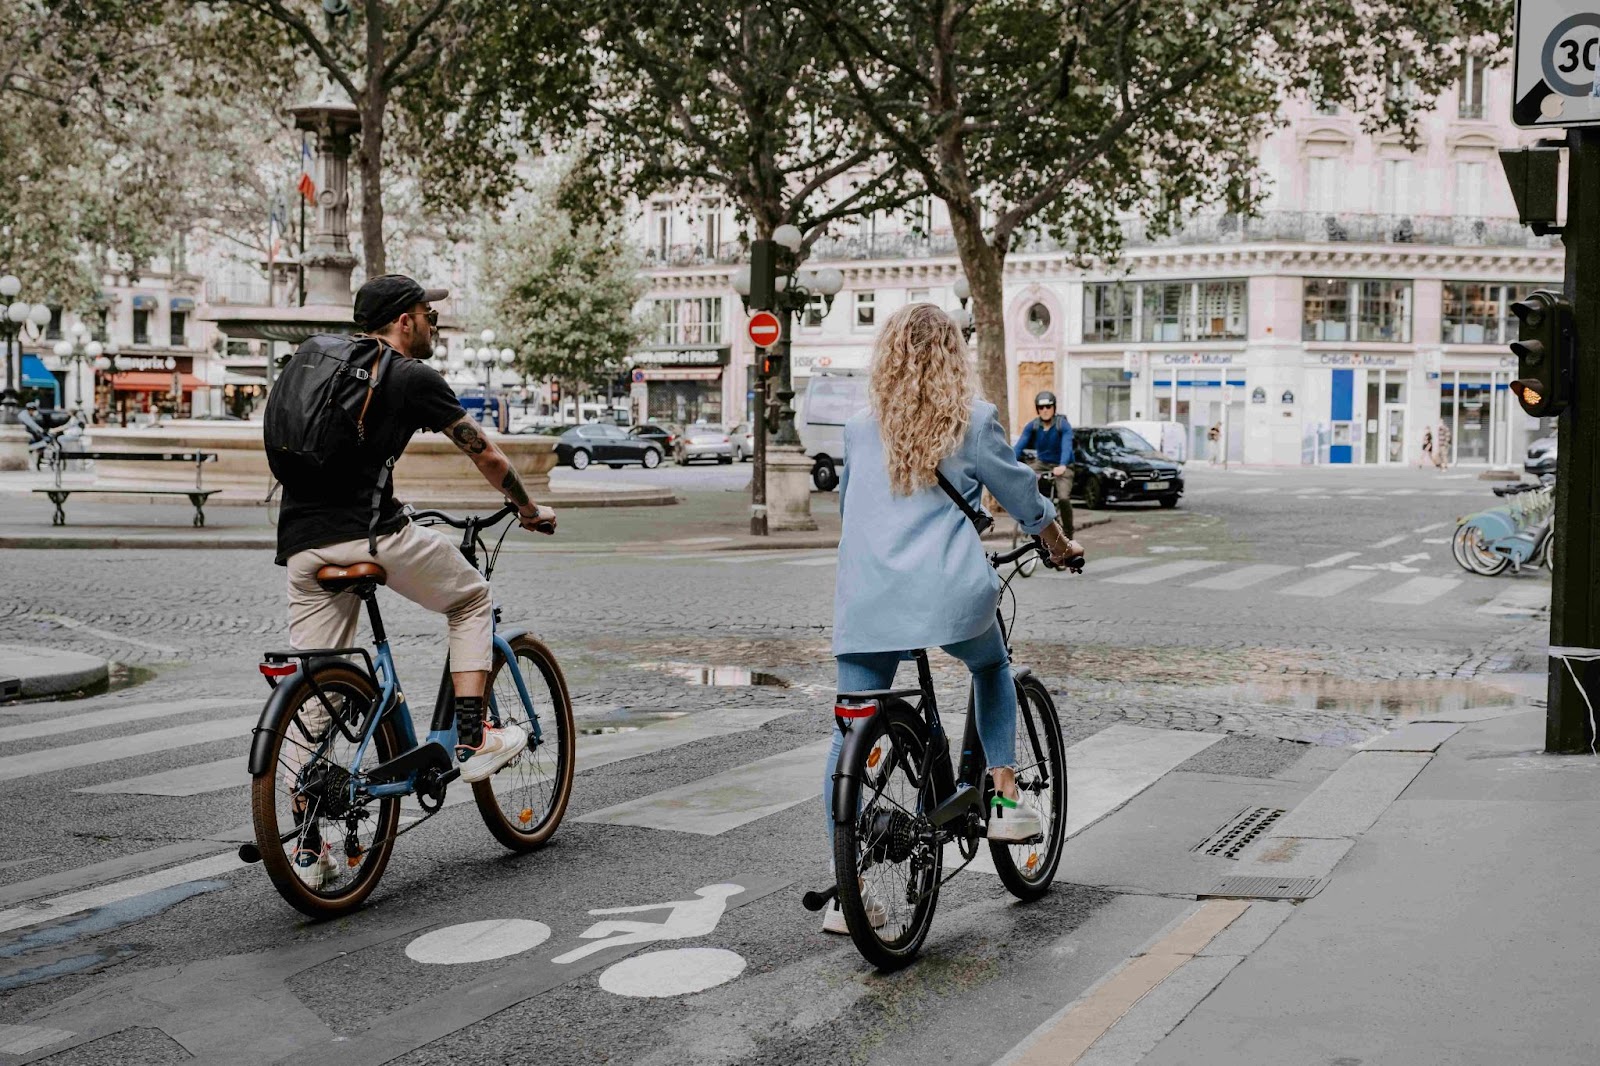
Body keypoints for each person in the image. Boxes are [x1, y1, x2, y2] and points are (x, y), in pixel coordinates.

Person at [276, 275, 557, 869]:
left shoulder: (321, 365)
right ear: (404, 321)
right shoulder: (408, 374)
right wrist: (528, 508)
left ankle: (309, 833)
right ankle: (476, 734)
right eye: (430, 313)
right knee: (471, 599)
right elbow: (482, 449)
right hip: (371, 535)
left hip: (301, 546)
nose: (436, 322)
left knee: (319, 687)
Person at [822, 304, 1079, 934]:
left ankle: (845, 889)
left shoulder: (859, 428)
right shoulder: (973, 421)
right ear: (951, 358)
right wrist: (1058, 543)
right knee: (992, 665)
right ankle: (1006, 798)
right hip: (948, 595)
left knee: (850, 722)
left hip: (869, 599)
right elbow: (1022, 496)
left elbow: (849, 510)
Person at [1011, 389, 1075, 536]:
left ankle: (1069, 532)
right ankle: (1035, 517)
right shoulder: (1032, 426)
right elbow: (1019, 446)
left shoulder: (1062, 424)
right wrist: (1009, 462)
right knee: (1026, 479)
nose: (1045, 410)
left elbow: (1067, 446)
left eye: (1048, 407)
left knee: (1064, 498)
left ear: (1054, 407)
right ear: (1037, 409)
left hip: (1062, 465)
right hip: (1042, 463)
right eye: (1041, 407)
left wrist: (1063, 465)